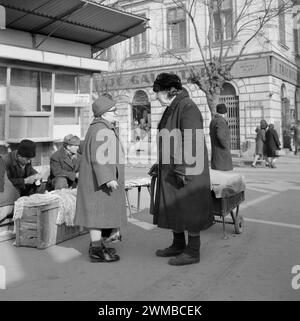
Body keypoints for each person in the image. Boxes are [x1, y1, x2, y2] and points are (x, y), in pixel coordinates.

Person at [149, 73, 213, 266]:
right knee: (174, 207)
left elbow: (191, 140)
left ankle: (193, 251)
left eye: (158, 92)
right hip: (172, 168)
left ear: (170, 91)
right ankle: (178, 244)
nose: (156, 97)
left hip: (187, 169)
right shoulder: (172, 107)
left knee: (190, 209)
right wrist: (160, 164)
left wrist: (183, 168)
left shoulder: (187, 107)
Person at [74, 95, 126, 263]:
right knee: (97, 215)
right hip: (99, 181)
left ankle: (98, 246)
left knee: (99, 214)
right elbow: (99, 157)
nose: (115, 114)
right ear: (104, 113)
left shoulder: (101, 126)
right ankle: (96, 250)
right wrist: (108, 177)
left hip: (97, 180)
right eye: (113, 111)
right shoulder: (101, 129)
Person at [209, 103, 233, 171]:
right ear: (225, 113)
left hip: (216, 154)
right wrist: (226, 145)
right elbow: (220, 135)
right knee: (224, 177)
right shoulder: (221, 121)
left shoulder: (213, 121)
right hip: (222, 155)